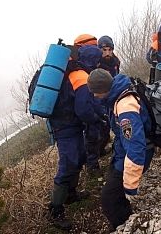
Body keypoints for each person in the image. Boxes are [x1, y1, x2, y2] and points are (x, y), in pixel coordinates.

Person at [87, 69, 154, 231]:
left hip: (134, 154)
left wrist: (130, 185)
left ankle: (123, 226)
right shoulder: (117, 94)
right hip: (121, 152)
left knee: (108, 198)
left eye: (96, 92)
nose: (95, 96)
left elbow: (136, 147)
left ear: (104, 89)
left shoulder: (125, 107)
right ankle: (126, 216)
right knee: (113, 190)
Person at [47, 39, 104, 230]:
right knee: (68, 163)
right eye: (96, 62)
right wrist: (98, 119)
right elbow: (83, 110)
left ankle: (70, 194)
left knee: (79, 157)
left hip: (68, 124)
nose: (98, 65)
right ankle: (55, 210)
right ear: (92, 61)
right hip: (65, 126)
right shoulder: (80, 76)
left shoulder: (74, 72)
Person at [73, 34, 109, 175]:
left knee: (92, 137)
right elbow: (84, 107)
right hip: (83, 117)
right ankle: (92, 167)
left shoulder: (81, 69)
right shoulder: (83, 76)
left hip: (85, 113)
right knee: (90, 137)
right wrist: (96, 117)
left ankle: (93, 162)